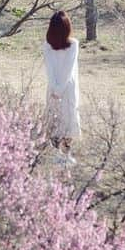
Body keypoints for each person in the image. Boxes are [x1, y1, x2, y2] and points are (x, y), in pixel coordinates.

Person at [43, 9, 81, 159]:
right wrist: (57, 89)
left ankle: (63, 154)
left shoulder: (72, 45)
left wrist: (55, 88)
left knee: (61, 117)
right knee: (62, 117)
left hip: (57, 87)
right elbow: (65, 70)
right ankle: (61, 154)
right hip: (64, 87)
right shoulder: (49, 45)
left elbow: (55, 70)